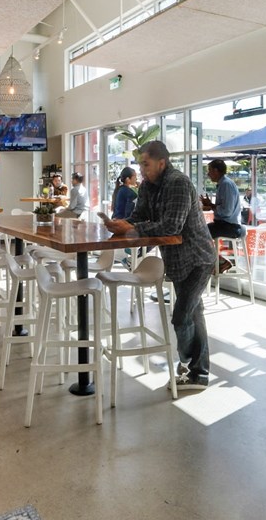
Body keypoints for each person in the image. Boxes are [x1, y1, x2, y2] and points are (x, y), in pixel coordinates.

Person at [104, 141, 216, 390]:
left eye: (146, 164)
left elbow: (171, 226)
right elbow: (140, 216)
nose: (141, 170)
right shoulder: (147, 187)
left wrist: (131, 228)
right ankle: (199, 371)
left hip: (199, 258)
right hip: (177, 259)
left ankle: (189, 364)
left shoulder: (178, 183)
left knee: (181, 316)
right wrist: (121, 224)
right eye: (141, 164)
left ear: (161, 163)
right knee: (194, 313)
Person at [200, 159, 244, 274]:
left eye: (209, 170)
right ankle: (216, 261)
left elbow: (227, 212)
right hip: (226, 224)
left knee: (197, 234)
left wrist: (211, 206)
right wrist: (211, 205)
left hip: (229, 226)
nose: (208, 174)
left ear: (216, 170)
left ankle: (219, 261)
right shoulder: (223, 184)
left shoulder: (226, 185)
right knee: (198, 232)